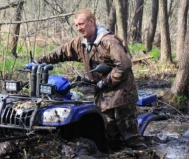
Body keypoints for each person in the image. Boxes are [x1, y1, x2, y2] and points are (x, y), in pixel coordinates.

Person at [26, 9, 147, 151]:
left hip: (122, 95)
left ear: (91, 22)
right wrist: (39, 61)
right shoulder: (81, 44)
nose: (79, 28)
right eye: (76, 25)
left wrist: (106, 81)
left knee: (130, 136)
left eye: (81, 24)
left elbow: (124, 65)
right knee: (109, 136)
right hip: (103, 97)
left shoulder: (108, 42)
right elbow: (61, 52)